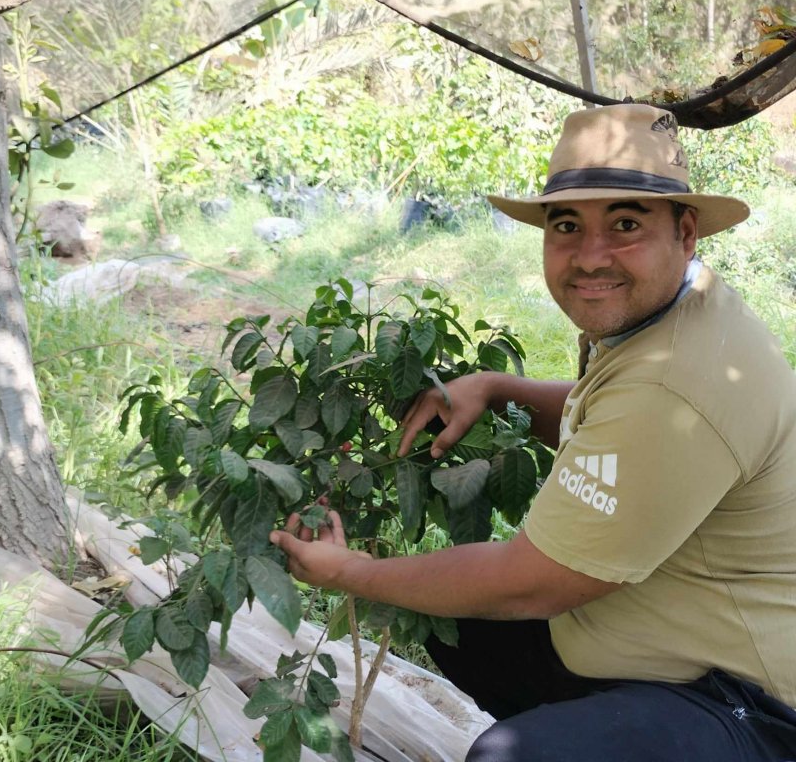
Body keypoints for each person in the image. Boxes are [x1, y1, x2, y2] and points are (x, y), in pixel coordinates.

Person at [270, 103, 796, 761]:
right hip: (661, 637)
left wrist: (350, 570)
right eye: (567, 225)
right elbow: (606, 413)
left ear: (685, 231)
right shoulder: (680, 307)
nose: (590, 256)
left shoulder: (680, 381)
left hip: (749, 705)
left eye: (626, 224)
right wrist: (498, 388)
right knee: (452, 615)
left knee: (516, 754)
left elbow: (528, 581)